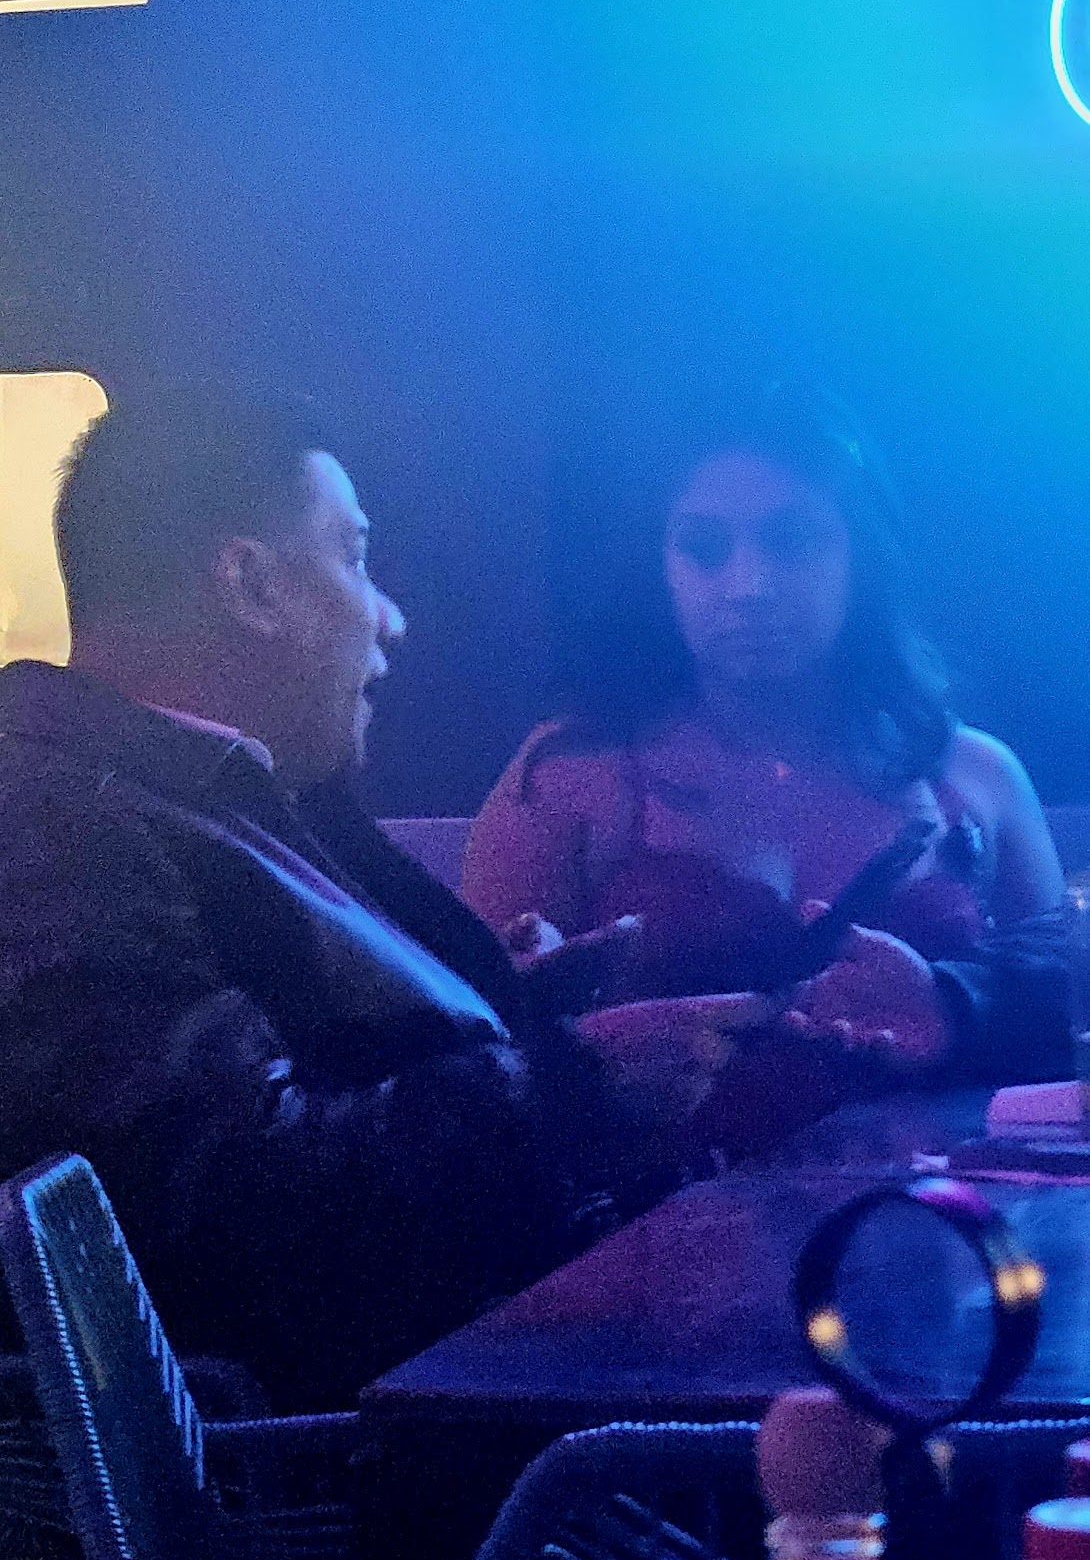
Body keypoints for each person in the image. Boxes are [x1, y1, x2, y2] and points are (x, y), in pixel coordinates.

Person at [0, 390, 763, 1410]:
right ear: (252, 585)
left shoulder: (230, 793)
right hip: (393, 1454)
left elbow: (320, 1053)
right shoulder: (48, 821)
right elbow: (229, 1200)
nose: (389, 617)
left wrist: (518, 1001)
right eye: (353, 557)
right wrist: (570, 1082)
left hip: (492, 1379)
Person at [464, 380, 1069, 1108]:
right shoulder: (574, 775)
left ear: (861, 560)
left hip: (939, 1178)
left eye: (793, 541)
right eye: (704, 548)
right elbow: (468, 1066)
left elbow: (1065, 1034)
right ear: (660, 570)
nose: (748, 585)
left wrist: (948, 1004)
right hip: (664, 1182)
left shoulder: (976, 779)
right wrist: (576, 1042)